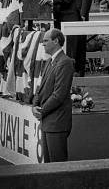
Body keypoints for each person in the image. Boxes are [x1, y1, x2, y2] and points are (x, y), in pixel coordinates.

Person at [32, 29, 74, 162]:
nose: (42, 44)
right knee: (49, 165)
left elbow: (59, 94)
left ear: (56, 41)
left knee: (57, 165)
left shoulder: (65, 62)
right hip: (48, 121)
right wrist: (34, 105)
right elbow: (41, 88)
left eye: (46, 40)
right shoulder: (50, 61)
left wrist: (41, 110)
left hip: (57, 122)